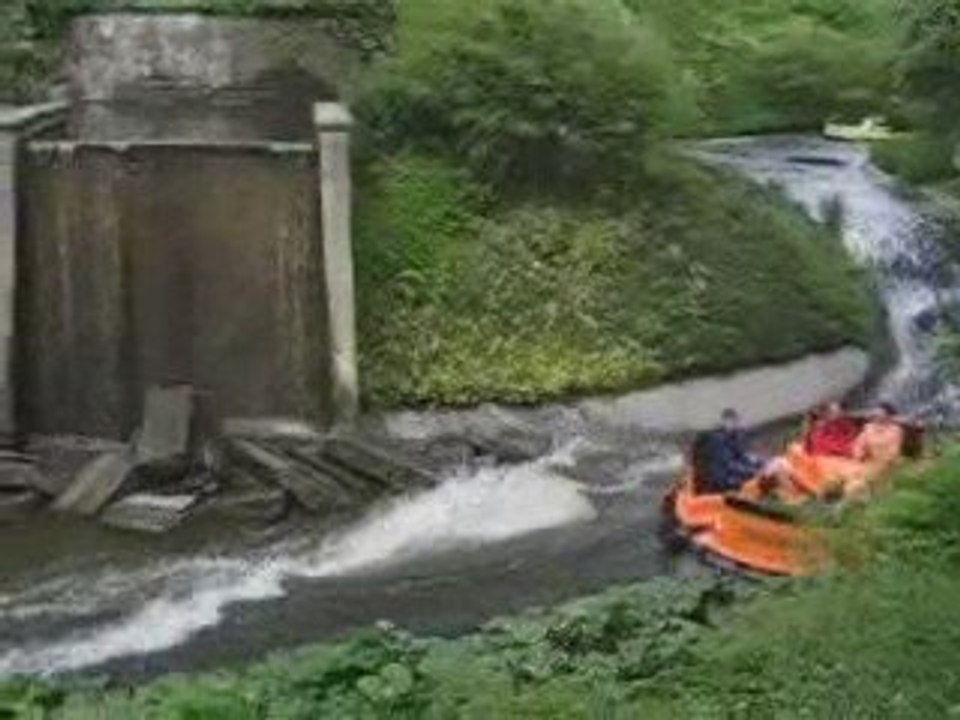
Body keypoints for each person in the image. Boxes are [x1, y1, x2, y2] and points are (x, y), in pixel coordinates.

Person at [692, 409, 768, 494]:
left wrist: (760, 463)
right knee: (756, 480)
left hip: (727, 477)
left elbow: (741, 456)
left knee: (761, 468)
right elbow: (730, 466)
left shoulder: (731, 438)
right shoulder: (718, 441)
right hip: (721, 483)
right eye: (733, 421)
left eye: (737, 421)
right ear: (725, 421)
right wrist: (753, 472)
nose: (737, 425)